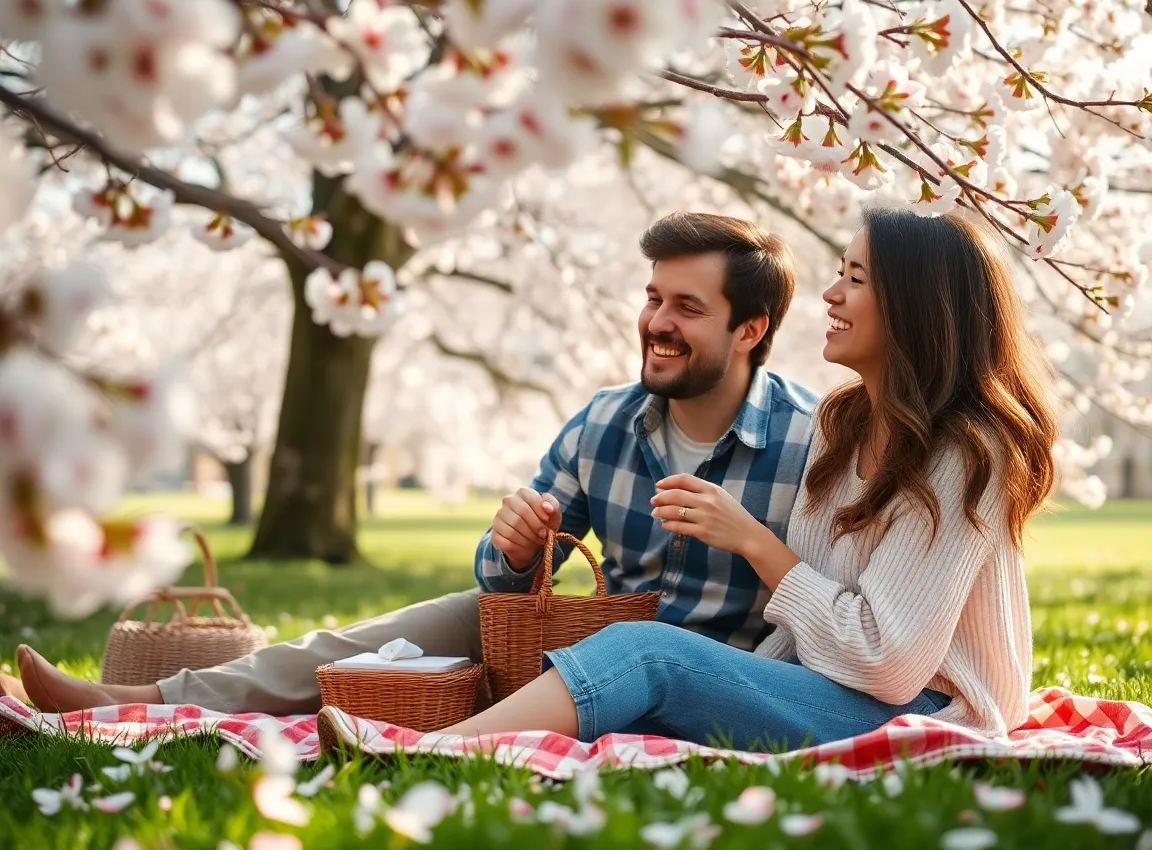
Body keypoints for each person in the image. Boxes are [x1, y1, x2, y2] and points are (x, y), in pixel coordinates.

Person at [12, 211, 819, 715]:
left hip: (705, 680)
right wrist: (510, 548)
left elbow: (833, 615)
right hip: (579, 651)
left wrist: (748, 541)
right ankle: (137, 701)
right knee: (420, 620)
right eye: (652, 297)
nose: (656, 323)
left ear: (751, 329)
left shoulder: (810, 443)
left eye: (687, 307)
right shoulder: (607, 421)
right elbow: (505, 588)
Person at [431, 208, 1059, 750]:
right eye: (839, 272)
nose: (831, 295)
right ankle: (424, 724)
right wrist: (736, 683)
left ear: (917, 305)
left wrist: (752, 540)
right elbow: (802, 635)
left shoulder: (968, 454)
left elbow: (888, 663)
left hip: (927, 714)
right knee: (646, 673)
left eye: (856, 279)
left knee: (647, 654)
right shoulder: (845, 427)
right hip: (832, 693)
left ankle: (433, 750)